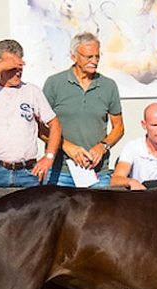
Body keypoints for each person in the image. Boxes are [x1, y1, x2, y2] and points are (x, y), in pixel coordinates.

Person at [0, 39, 61, 188]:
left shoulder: (32, 91)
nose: (17, 71)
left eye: (19, 67)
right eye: (11, 67)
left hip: (28, 172)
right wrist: (1, 66)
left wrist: (49, 157)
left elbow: (54, 124)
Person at [42, 32, 124, 188]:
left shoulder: (109, 86)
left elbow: (119, 127)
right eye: (88, 57)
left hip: (97, 174)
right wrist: (66, 146)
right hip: (60, 173)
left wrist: (103, 147)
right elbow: (40, 128)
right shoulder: (54, 84)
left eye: (97, 56)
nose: (94, 61)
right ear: (73, 56)